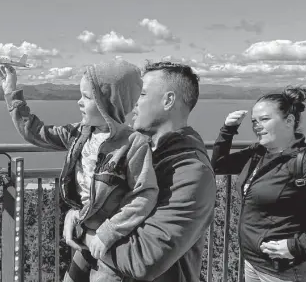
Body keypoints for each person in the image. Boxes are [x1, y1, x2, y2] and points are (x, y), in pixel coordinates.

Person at [0, 59, 159, 281]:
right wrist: (11, 93)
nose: (79, 102)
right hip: (84, 239)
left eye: (86, 97)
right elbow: (36, 132)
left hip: (110, 246)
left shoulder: (133, 143)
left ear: (109, 102)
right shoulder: (79, 133)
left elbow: (144, 194)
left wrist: (106, 234)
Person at [80, 61, 217, 282]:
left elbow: (141, 259)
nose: (132, 103)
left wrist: (83, 233)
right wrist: (73, 214)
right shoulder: (142, 152)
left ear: (168, 100)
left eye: (141, 95)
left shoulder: (191, 172)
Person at [210, 86, 306, 282]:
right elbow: (218, 166)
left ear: (289, 121)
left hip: (290, 270)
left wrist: (297, 246)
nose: (257, 126)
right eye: (254, 121)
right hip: (254, 263)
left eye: (264, 119)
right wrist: (228, 130)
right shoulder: (259, 153)